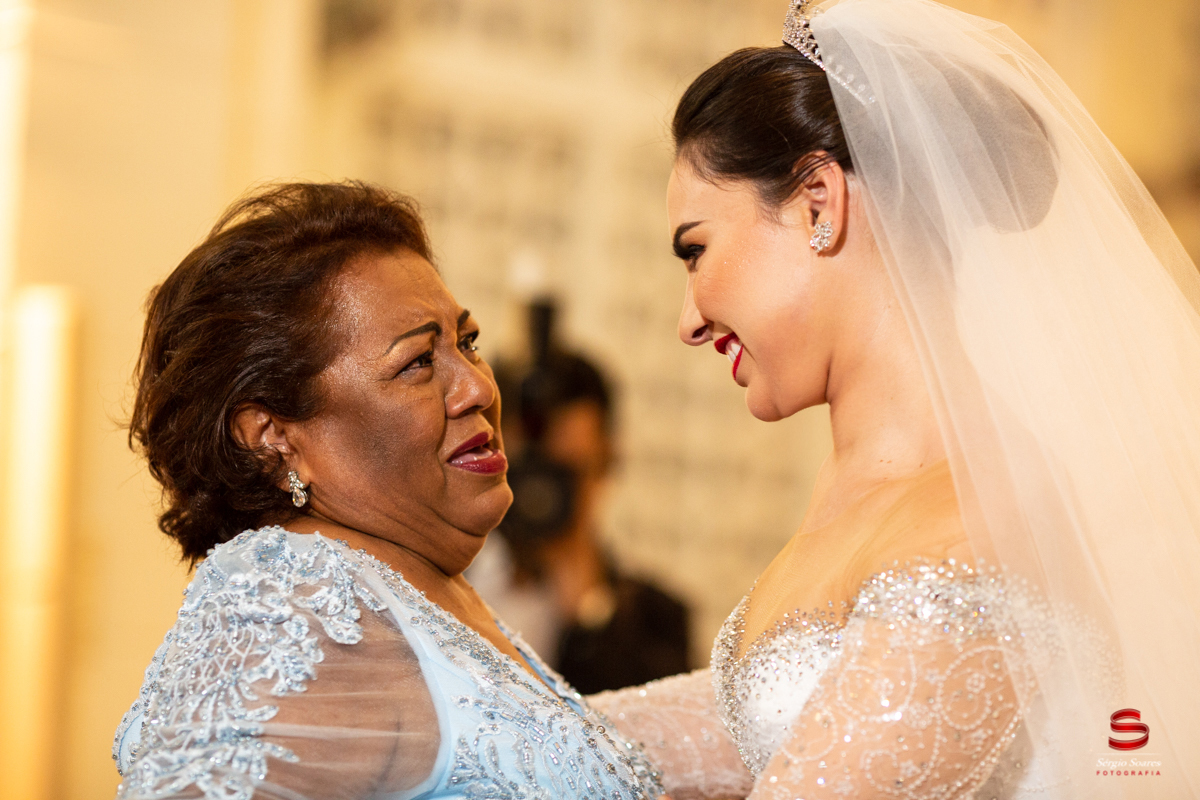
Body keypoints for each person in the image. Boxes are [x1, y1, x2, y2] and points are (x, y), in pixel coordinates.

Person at [590, 1, 1200, 798]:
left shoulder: (978, 521)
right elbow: (615, 749)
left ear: (818, 203)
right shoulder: (862, 502)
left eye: (696, 250)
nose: (688, 321)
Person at [111, 182, 665, 799]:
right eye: (418, 362)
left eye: (468, 343)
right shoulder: (298, 604)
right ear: (273, 436)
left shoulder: (406, 592)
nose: (480, 388)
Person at [471, 300, 691, 694]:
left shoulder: (657, 622)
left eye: (567, 473)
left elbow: (643, 729)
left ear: (608, 461)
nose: (542, 495)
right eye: (530, 469)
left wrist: (588, 610)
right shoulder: (435, 582)